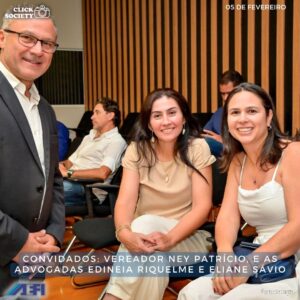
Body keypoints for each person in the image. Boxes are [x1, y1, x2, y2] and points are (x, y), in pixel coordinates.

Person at [178, 83, 300, 299]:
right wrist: (225, 254)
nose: (242, 119)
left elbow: (298, 225)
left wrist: (249, 265)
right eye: (235, 112)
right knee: (192, 293)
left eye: (252, 111)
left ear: (269, 117)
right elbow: (227, 217)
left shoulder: (292, 153)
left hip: (292, 258)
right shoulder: (238, 161)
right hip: (260, 251)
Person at [101, 88, 215, 300]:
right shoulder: (137, 150)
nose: (166, 121)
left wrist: (169, 238)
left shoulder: (198, 148)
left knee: (145, 226)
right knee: (152, 255)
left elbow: (202, 207)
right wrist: (125, 234)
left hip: (187, 239)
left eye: (172, 113)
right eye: (157, 115)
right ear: (148, 123)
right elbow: (125, 201)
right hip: (144, 239)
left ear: (183, 117)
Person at [0, 4, 65, 294]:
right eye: (27, 37)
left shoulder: (46, 110)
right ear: (2, 38)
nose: (38, 50)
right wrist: (17, 242)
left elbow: (53, 179)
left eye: (47, 43)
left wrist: (53, 235)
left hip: (35, 258)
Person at [59, 98, 127, 206]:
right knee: (37, 183)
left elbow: (103, 173)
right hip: (71, 181)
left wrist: (69, 173)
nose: (92, 117)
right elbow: (70, 162)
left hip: (88, 190)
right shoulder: (89, 137)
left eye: (97, 112)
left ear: (110, 116)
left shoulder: (116, 141)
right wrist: (58, 166)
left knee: (46, 190)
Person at [202, 70, 244, 157]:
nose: (225, 98)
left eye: (229, 93)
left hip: (235, 151)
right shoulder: (219, 112)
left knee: (203, 143)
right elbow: (205, 133)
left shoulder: (245, 113)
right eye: (222, 94)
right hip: (215, 152)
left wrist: (224, 140)